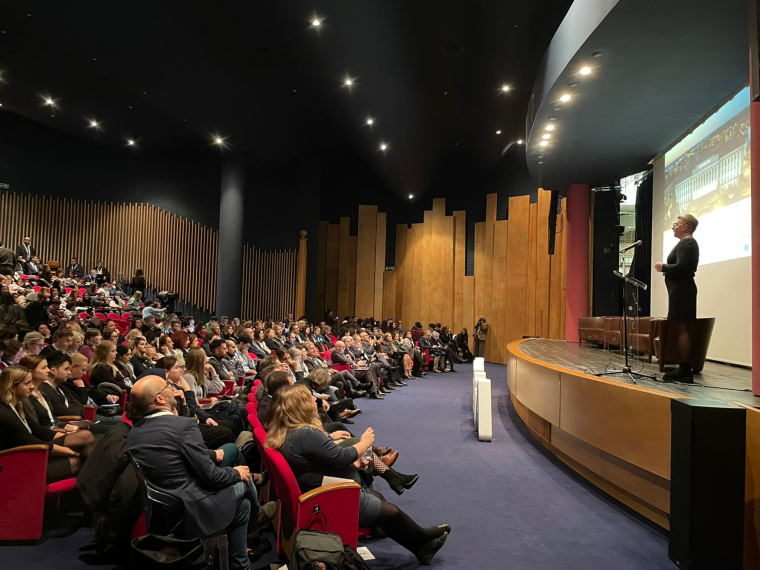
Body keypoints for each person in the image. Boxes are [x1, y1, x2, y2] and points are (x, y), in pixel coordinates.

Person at [266, 385, 449, 564]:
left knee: (379, 497)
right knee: (392, 512)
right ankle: (423, 541)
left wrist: (353, 462)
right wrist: (365, 442)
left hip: (322, 490)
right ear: (301, 406)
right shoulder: (305, 433)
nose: (315, 399)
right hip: (330, 498)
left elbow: (317, 460)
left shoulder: (288, 432)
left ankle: (415, 543)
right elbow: (343, 456)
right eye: (309, 398)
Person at [126, 374, 261, 570]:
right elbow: (211, 477)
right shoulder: (182, 426)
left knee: (243, 507)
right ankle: (257, 520)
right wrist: (236, 473)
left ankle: (240, 563)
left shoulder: (135, 432)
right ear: (160, 399)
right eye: (168, 387)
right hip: (191, 510)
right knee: (244, 481)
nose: (173, 389)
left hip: (164, 512)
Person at [0, 365, 97, 483]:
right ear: (11, 387)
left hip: (32, 452)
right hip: (16, 462)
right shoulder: (5, 414)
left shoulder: (18, 404)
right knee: (81, 459)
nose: (32, 386)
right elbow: (32, 442)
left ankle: (95, 486)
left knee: (84, 437)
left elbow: (41, 432)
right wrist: (72, 452)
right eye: (27, 383)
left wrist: (71, 439)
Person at [655, 214, 700, 381]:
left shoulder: (687, 243)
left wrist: (664, 267)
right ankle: (684, 367)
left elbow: (682, 267)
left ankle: (685, 369)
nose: (673, 227)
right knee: (680, 328)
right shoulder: (686, 243)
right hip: (680, 291)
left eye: (676, 224)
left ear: (685, 227)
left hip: (682, 291)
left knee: (682, 328)